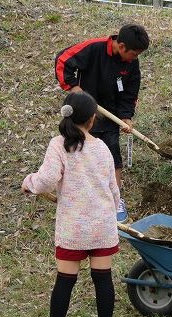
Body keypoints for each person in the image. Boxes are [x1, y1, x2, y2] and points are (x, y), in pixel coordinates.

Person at [22, 92, 120, 317]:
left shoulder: (59, 145)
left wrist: (29, 183)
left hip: (73, 227)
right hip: (101, 225)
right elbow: (113, 188)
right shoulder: (103, 148)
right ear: (92, 119)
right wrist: (111, 212)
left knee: (65, 282)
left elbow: (46, 180)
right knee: (103, 279)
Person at [55, 24, 150, 222]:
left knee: (112, 154)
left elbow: (131, 91)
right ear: (121, 46)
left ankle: (115, 202)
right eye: (133, 53)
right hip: (81, 115)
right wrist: (73, 88)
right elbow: (63, 60)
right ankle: (76, 198)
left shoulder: (132, 64)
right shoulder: (94, 48)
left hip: (110, 116)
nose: (134, 58)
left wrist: (125, 116)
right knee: (77, 154)